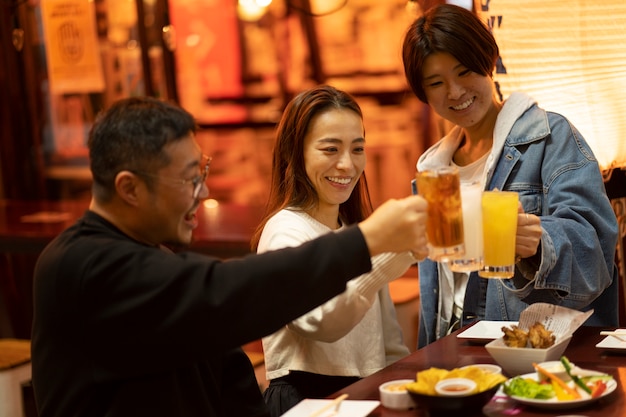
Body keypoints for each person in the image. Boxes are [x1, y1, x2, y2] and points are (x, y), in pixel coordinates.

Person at [30, 96, 429, 417]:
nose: (203, 193)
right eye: (190, 178)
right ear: (130, 189)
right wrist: (367, 241)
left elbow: (230, 379)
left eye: (202, 173)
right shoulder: (85, 265)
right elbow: (228, 292)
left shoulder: (153, 256)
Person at [401, 4, 619, 348]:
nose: (455, 92)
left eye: (464, 72)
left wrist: (538, 244)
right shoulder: (433, 173)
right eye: (436, 82)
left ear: (487, 62)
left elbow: (597, 252)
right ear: (423, 93)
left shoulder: (550, 137)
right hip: (455, 351)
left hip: (533, 352)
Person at [250, 85, 424, 416]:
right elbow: (320, 322)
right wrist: (389, 255)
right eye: (330, 149)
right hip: (309, 402)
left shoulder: (352, 232)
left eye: (357, 149)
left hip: (367, 398)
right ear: (295, 153)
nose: (347, 164)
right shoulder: (285, 231)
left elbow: (388, 346)